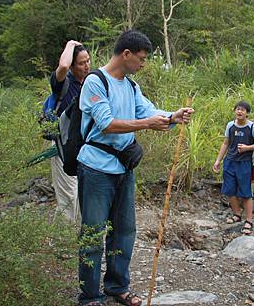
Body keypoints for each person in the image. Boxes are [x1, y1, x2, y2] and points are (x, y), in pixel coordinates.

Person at [76, 30, 193, 306]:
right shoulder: (95, 81)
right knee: (93, 234)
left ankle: (117, 286)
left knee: (125, 231)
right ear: (126, 54)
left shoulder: (130, 86)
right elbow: (106, 123)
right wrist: (147, 124)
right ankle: (90, 295)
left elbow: (149, 112)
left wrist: (172, 116)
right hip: (95, 169)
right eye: (140, 59)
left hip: (123, 169)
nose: (143, 64)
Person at [50, 40, 90, 222]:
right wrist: (69, 45)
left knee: (84, 197)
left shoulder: (91, 83)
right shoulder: (62, 84)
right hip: (63, 147)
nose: (87, 66)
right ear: (73, 66)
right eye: (82, 63)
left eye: (88, 61)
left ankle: (81, 241)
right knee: (68, 197)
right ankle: (62, 244)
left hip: (85, 147)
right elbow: (63, 65)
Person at [213, 101, 254, 235]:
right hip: (230, 162)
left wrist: (247, 148)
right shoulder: (230, 125)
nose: (240, 112)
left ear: (247, 113)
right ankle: (236, 214)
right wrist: (218, 160)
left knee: (246, 192)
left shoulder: (252, 127)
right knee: (229, 190)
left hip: (244, 163)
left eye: (243, 110)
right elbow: (225, 143)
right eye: (237, 109)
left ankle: (249, 220)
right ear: (234, 111)